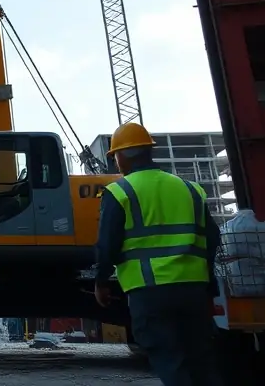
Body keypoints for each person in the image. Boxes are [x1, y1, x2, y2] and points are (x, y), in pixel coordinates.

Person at [94, 122, 224, 386]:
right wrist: (207, 280)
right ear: (148, 151)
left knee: (169, 358)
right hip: (193, 289)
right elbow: (212, 238)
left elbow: (108, 242)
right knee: (201, 359)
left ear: (121, 156)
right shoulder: (191, 189)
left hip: (149, 289)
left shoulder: (120, 192)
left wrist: (101, 280)